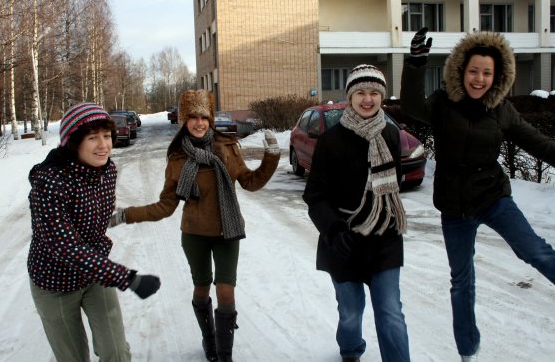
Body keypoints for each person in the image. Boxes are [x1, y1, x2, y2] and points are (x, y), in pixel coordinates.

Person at [401, 28, 555, 361]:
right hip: (455, 207)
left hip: (492, 197)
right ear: (461, 70)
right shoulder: (443, 103)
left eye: (487, 73)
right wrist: (415, 64)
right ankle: (467, 350)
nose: (479, 79)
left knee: (534, 251)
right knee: (461, 280)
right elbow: (411, 106)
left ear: (497, 77)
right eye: (474, 71)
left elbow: (539, 144)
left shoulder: (502, 110)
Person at [109, 89, 280, 362]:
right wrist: (125, 215)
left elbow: (250, 182)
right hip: (194, 235)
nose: (199, 123)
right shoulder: (178, 158)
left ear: (210, 119)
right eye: (193, 117)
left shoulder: (227, 148)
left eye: (204, 117)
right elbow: (165, 206)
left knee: (225, 291)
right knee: (201, 288)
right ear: (184, 120)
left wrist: (271, 158)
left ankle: (224, 355)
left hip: (227, 232)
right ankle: (209, 340)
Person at [28, 102, 161, 362]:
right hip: (54, 282)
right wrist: (129, 279)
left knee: (116, 352)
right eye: (92, 137)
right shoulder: (50, 182)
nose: (103, 145)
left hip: (94, 275)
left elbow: (94, 217)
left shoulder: (107, 171)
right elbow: (66, 246)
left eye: (107, 136)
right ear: (73, 142)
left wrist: (124, 216)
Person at [303, 65, 411, 362]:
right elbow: (314, 195)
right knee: (351, 311)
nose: (368, 99)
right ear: (350, 96)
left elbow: (394, 185)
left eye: (374, 92)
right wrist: (333, 229)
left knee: (390, 312)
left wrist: (383, 213)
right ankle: (351, 350)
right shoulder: (330, 141)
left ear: (382, 96)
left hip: (384, 237)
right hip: (344, 239)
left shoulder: (390, 134)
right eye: (361, 92)